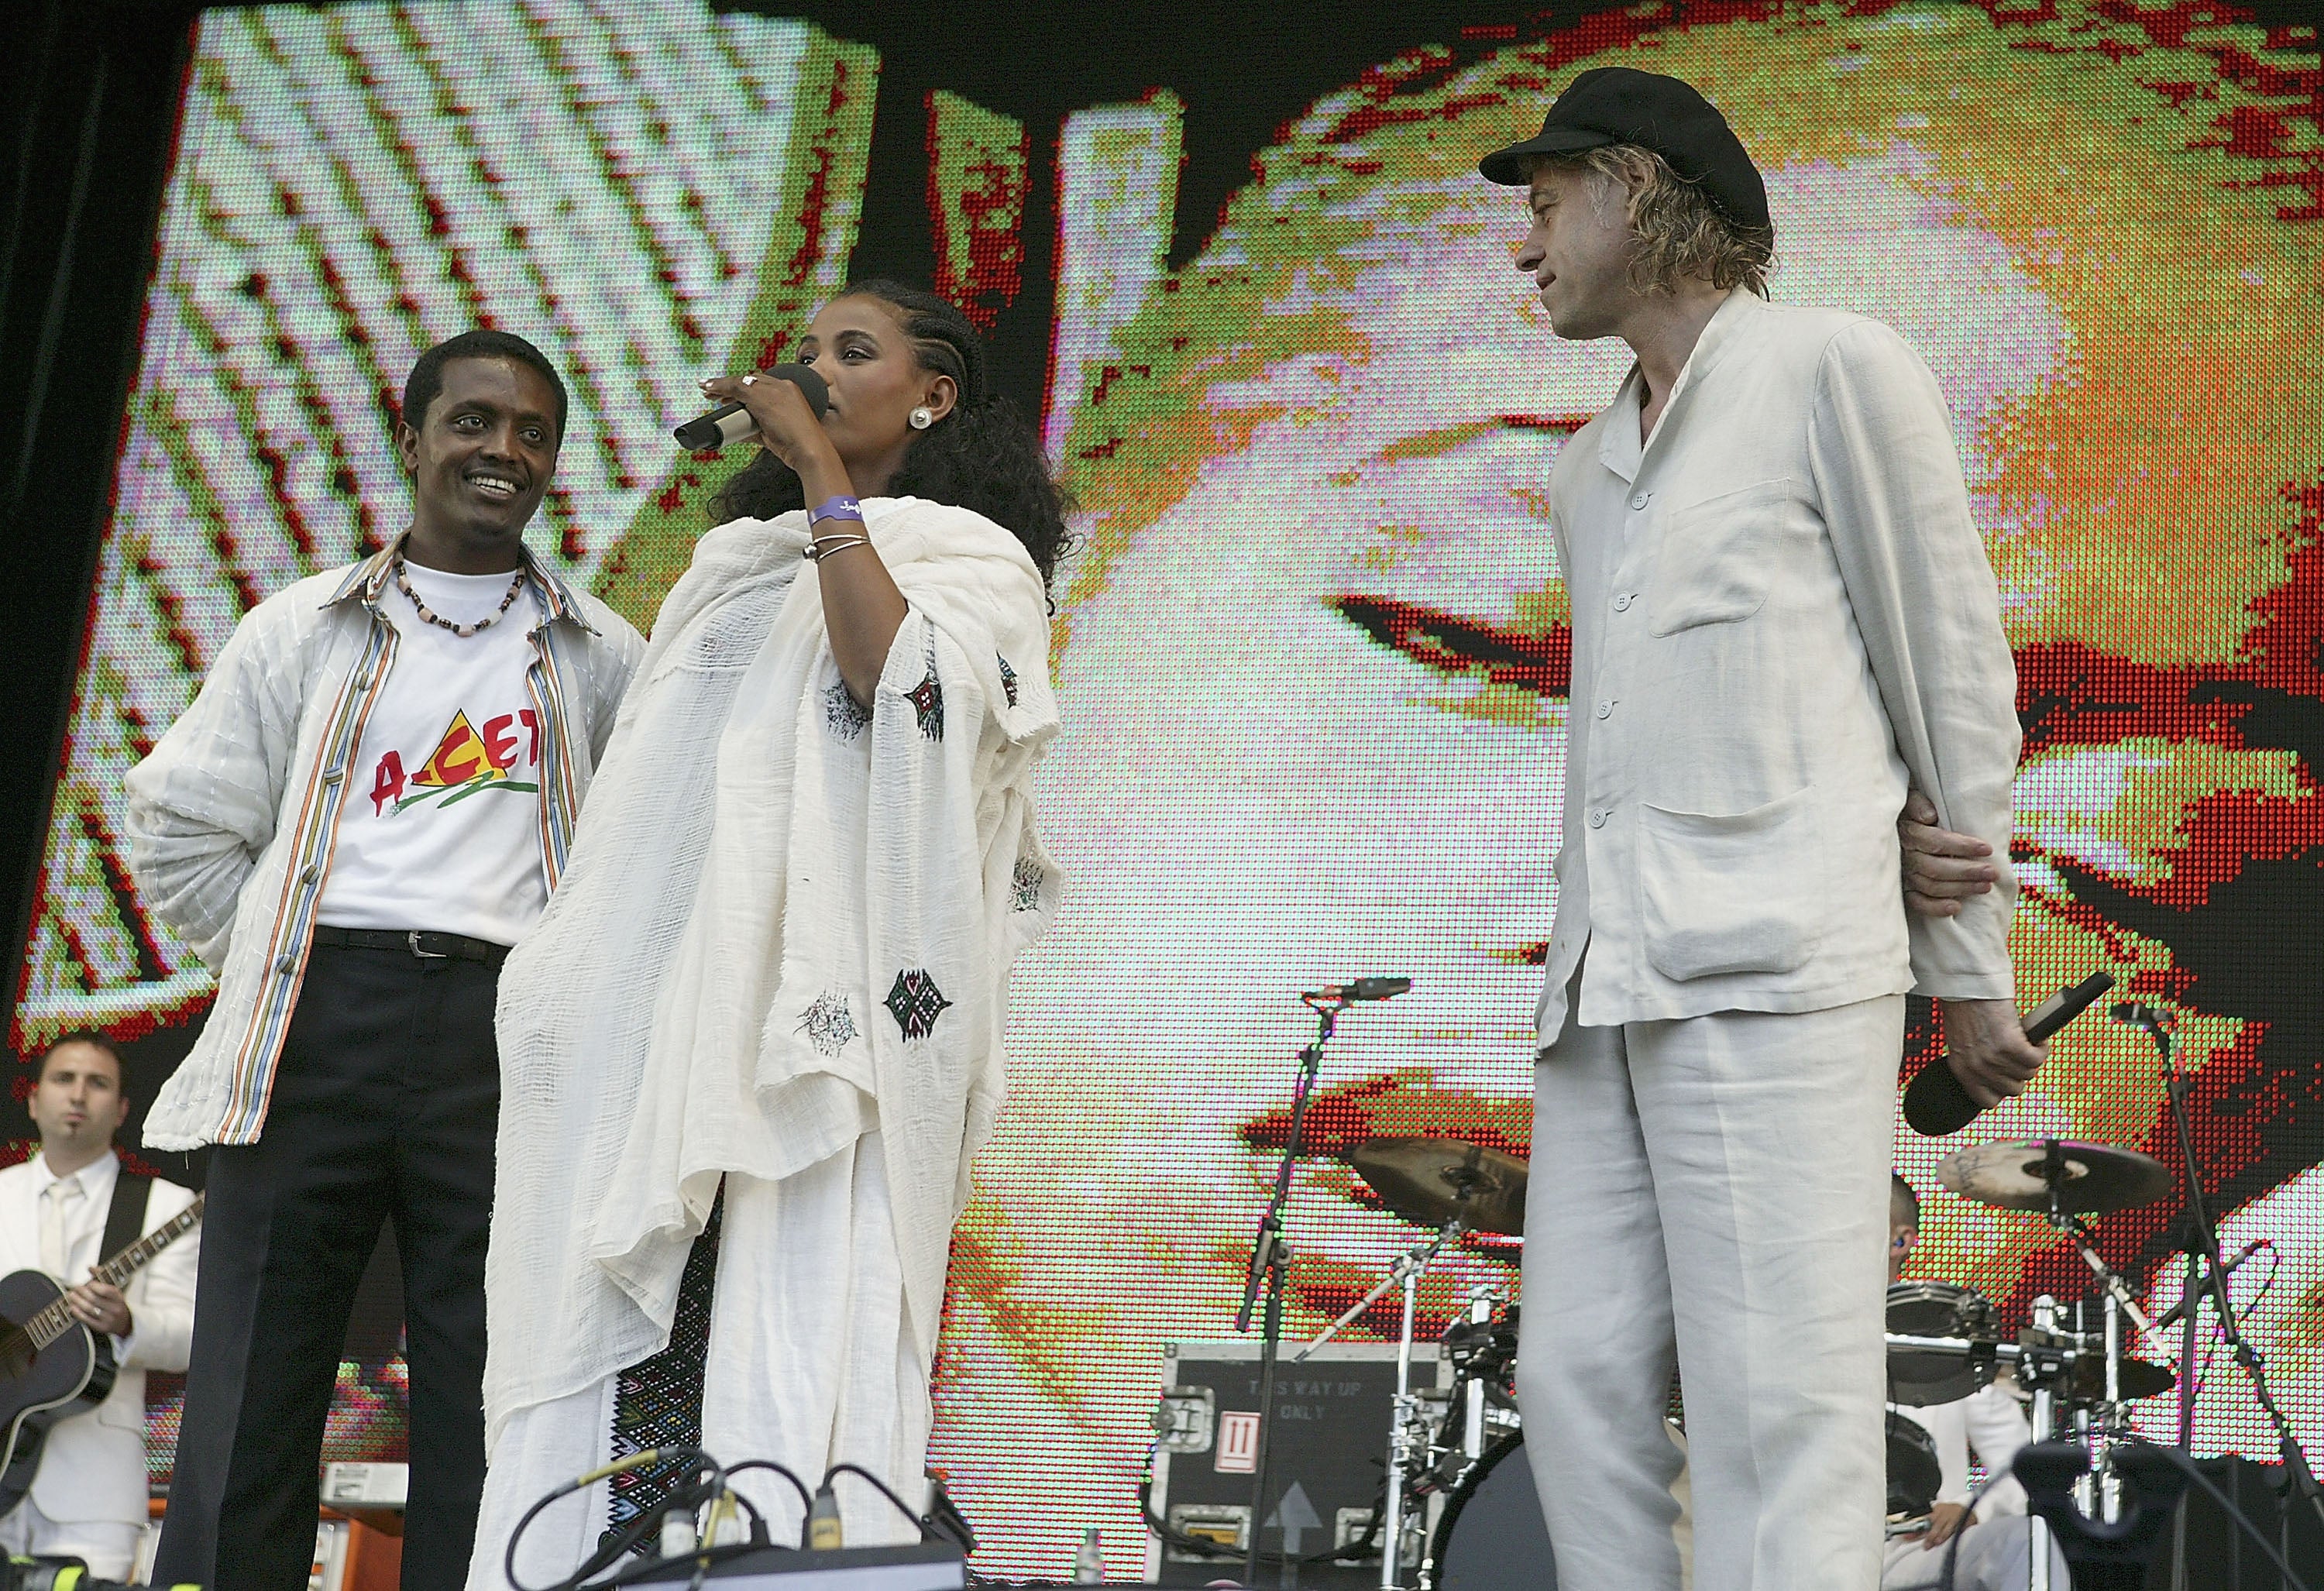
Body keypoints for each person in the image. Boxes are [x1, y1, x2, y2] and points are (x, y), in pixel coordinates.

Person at [1468, 67, 2042, 1590]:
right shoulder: (1581, 467)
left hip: (1781, 959)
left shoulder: (1830, 367)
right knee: (1574, 1382)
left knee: (1776, 1413)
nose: (1523, 245)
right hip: (1605, 989)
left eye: (1542, 202)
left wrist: (1967, 963)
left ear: (1636, 190)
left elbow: (1950, 671)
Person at [466, 281, 1067, 1581]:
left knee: (778, 1346)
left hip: (823, 1042)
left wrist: (814, 475)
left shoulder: (973, 562)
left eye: (854, 352)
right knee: (613, 1368)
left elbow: (898, 690)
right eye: (805, 355)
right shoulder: (728, 573)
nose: (816, 372)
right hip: (649, 1039)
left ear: (934, 394)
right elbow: (653, 810)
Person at [126, 329, 644, 1591]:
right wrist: (264, 954)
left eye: (531, 433)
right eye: (474, 422)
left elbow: (647, 866)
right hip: (317, 1017)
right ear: (413, 439)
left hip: (502, 1033)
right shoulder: (302, 625)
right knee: (254, 1372)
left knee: (489, 1385)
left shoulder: (602, 653)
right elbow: (177, 818)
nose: (503, 451)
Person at [0, 1035, 199, 1576]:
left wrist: (128, 1322)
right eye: (64, 1079)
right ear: (34, 1099)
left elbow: (192, 1337)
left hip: (92, 1492)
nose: (79, 1095)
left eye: (98, 1083)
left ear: (122, 1110)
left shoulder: (165, 1206)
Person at [1884, 1174, 2068, 1591]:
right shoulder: (1798, 1336)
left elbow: (2022, 1470)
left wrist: (1972, 1508)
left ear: (1901, 1240)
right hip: (1814, 1548)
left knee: (2027, 1543)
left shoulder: (1947, 1343)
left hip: (1915, 1551)